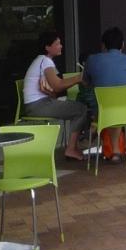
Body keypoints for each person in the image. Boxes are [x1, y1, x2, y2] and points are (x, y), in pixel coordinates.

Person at [21, 31, 88, 161]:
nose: (61, 46)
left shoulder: (42, 61)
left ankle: (73, 146)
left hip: (37, 104)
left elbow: (54, 92)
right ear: (47, 47)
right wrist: (79, 77)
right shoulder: (45, 62)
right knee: (81, 109)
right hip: (38, 106)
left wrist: (50, 92)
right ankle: (71, 149)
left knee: (77, 107)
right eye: (57, 44)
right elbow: (58, 86)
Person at [83, 27, 126, 162]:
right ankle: (115, 151)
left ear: (103, 45)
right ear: (123, 45)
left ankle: (97, 130)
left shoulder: (92, 60)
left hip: (101, 110)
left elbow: (85, 82)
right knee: (119, 101)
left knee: (102, 103)